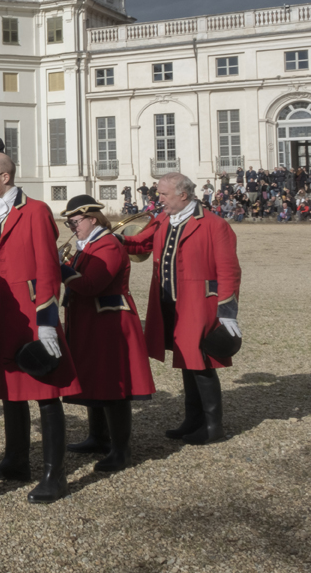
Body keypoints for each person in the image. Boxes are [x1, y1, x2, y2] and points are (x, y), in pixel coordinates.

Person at [0, 153, 81, 504]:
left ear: (5, 178)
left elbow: (49, 269)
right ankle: (16, 460)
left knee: (46, 393)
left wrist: (47, 322)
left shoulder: (35, 211)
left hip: (30, 313)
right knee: (10, 387)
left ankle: (55, 475)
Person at [122, 172, 241, 445]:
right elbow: (141, 244)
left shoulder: (214, 224)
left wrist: (228, 311)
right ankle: (192, 420)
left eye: (163, 194)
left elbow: (229, 270)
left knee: (200, 363)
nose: (158, 199)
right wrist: (112, 240)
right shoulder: (163, 218)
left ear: (183, 195)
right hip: (168, 302)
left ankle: (213, 426)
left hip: (199, 303)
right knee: (185, 360)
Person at [58, 195, 155, 473]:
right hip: (92, 320)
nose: (72, 227)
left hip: (110, 322)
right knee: (95, 378)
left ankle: (120, 450)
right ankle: (98, 437)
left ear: (92, 218)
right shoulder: (88, 244)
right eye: (70, 223)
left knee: (114, 385)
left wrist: (60, 268)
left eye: (75, 222)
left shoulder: (108, 245)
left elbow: (91, 285)